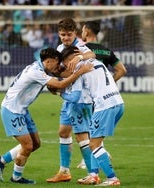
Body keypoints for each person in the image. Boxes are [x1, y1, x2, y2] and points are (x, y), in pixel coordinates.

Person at [0, 47, 93, 185]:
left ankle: (1, 160)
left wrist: (76, 68)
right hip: (12, 110)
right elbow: (59, 83)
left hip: (22, 110)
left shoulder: (41, 68)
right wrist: (80, 72)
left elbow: (61, 76)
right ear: (49, 61)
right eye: (57, 64)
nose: (58, 67)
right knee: (27, 146)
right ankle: (16, 177)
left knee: (36, 144)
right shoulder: (36, 72)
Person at [60, 45, 124, 186]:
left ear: (74, 57)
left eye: (67, 63)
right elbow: (91, 55)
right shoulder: (97, 62)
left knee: (94, 144)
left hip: (104, 106)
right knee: (96, 141)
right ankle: (93, 175)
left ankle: (112, 179)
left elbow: (75, 97)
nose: (68, 67)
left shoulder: (80, 69)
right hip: (118, 103)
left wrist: (60, 93)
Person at [46, 17, 99, 184]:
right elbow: (60, 71)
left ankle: (93, 175)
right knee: (63, 132)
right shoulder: (61, 48)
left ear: (75, 33)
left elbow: (93, 53)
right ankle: (64, 172)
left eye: (69, 35)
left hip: (81, 98)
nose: (65, 38)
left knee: (82, 137)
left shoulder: (81, 47)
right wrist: (63, 78)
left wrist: (80, 58)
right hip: (69, 96)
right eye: (62, 35)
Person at [76, 20, 127, 169]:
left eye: (83, 30)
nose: (81, 33)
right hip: (106, 96)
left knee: (90, 128)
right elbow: (122, 70)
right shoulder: (105, 50)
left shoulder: (82, 50)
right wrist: (108, 83)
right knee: (95, 128)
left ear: (88, 31)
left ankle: (94, 159)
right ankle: (99, 154)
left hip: (89, 95)